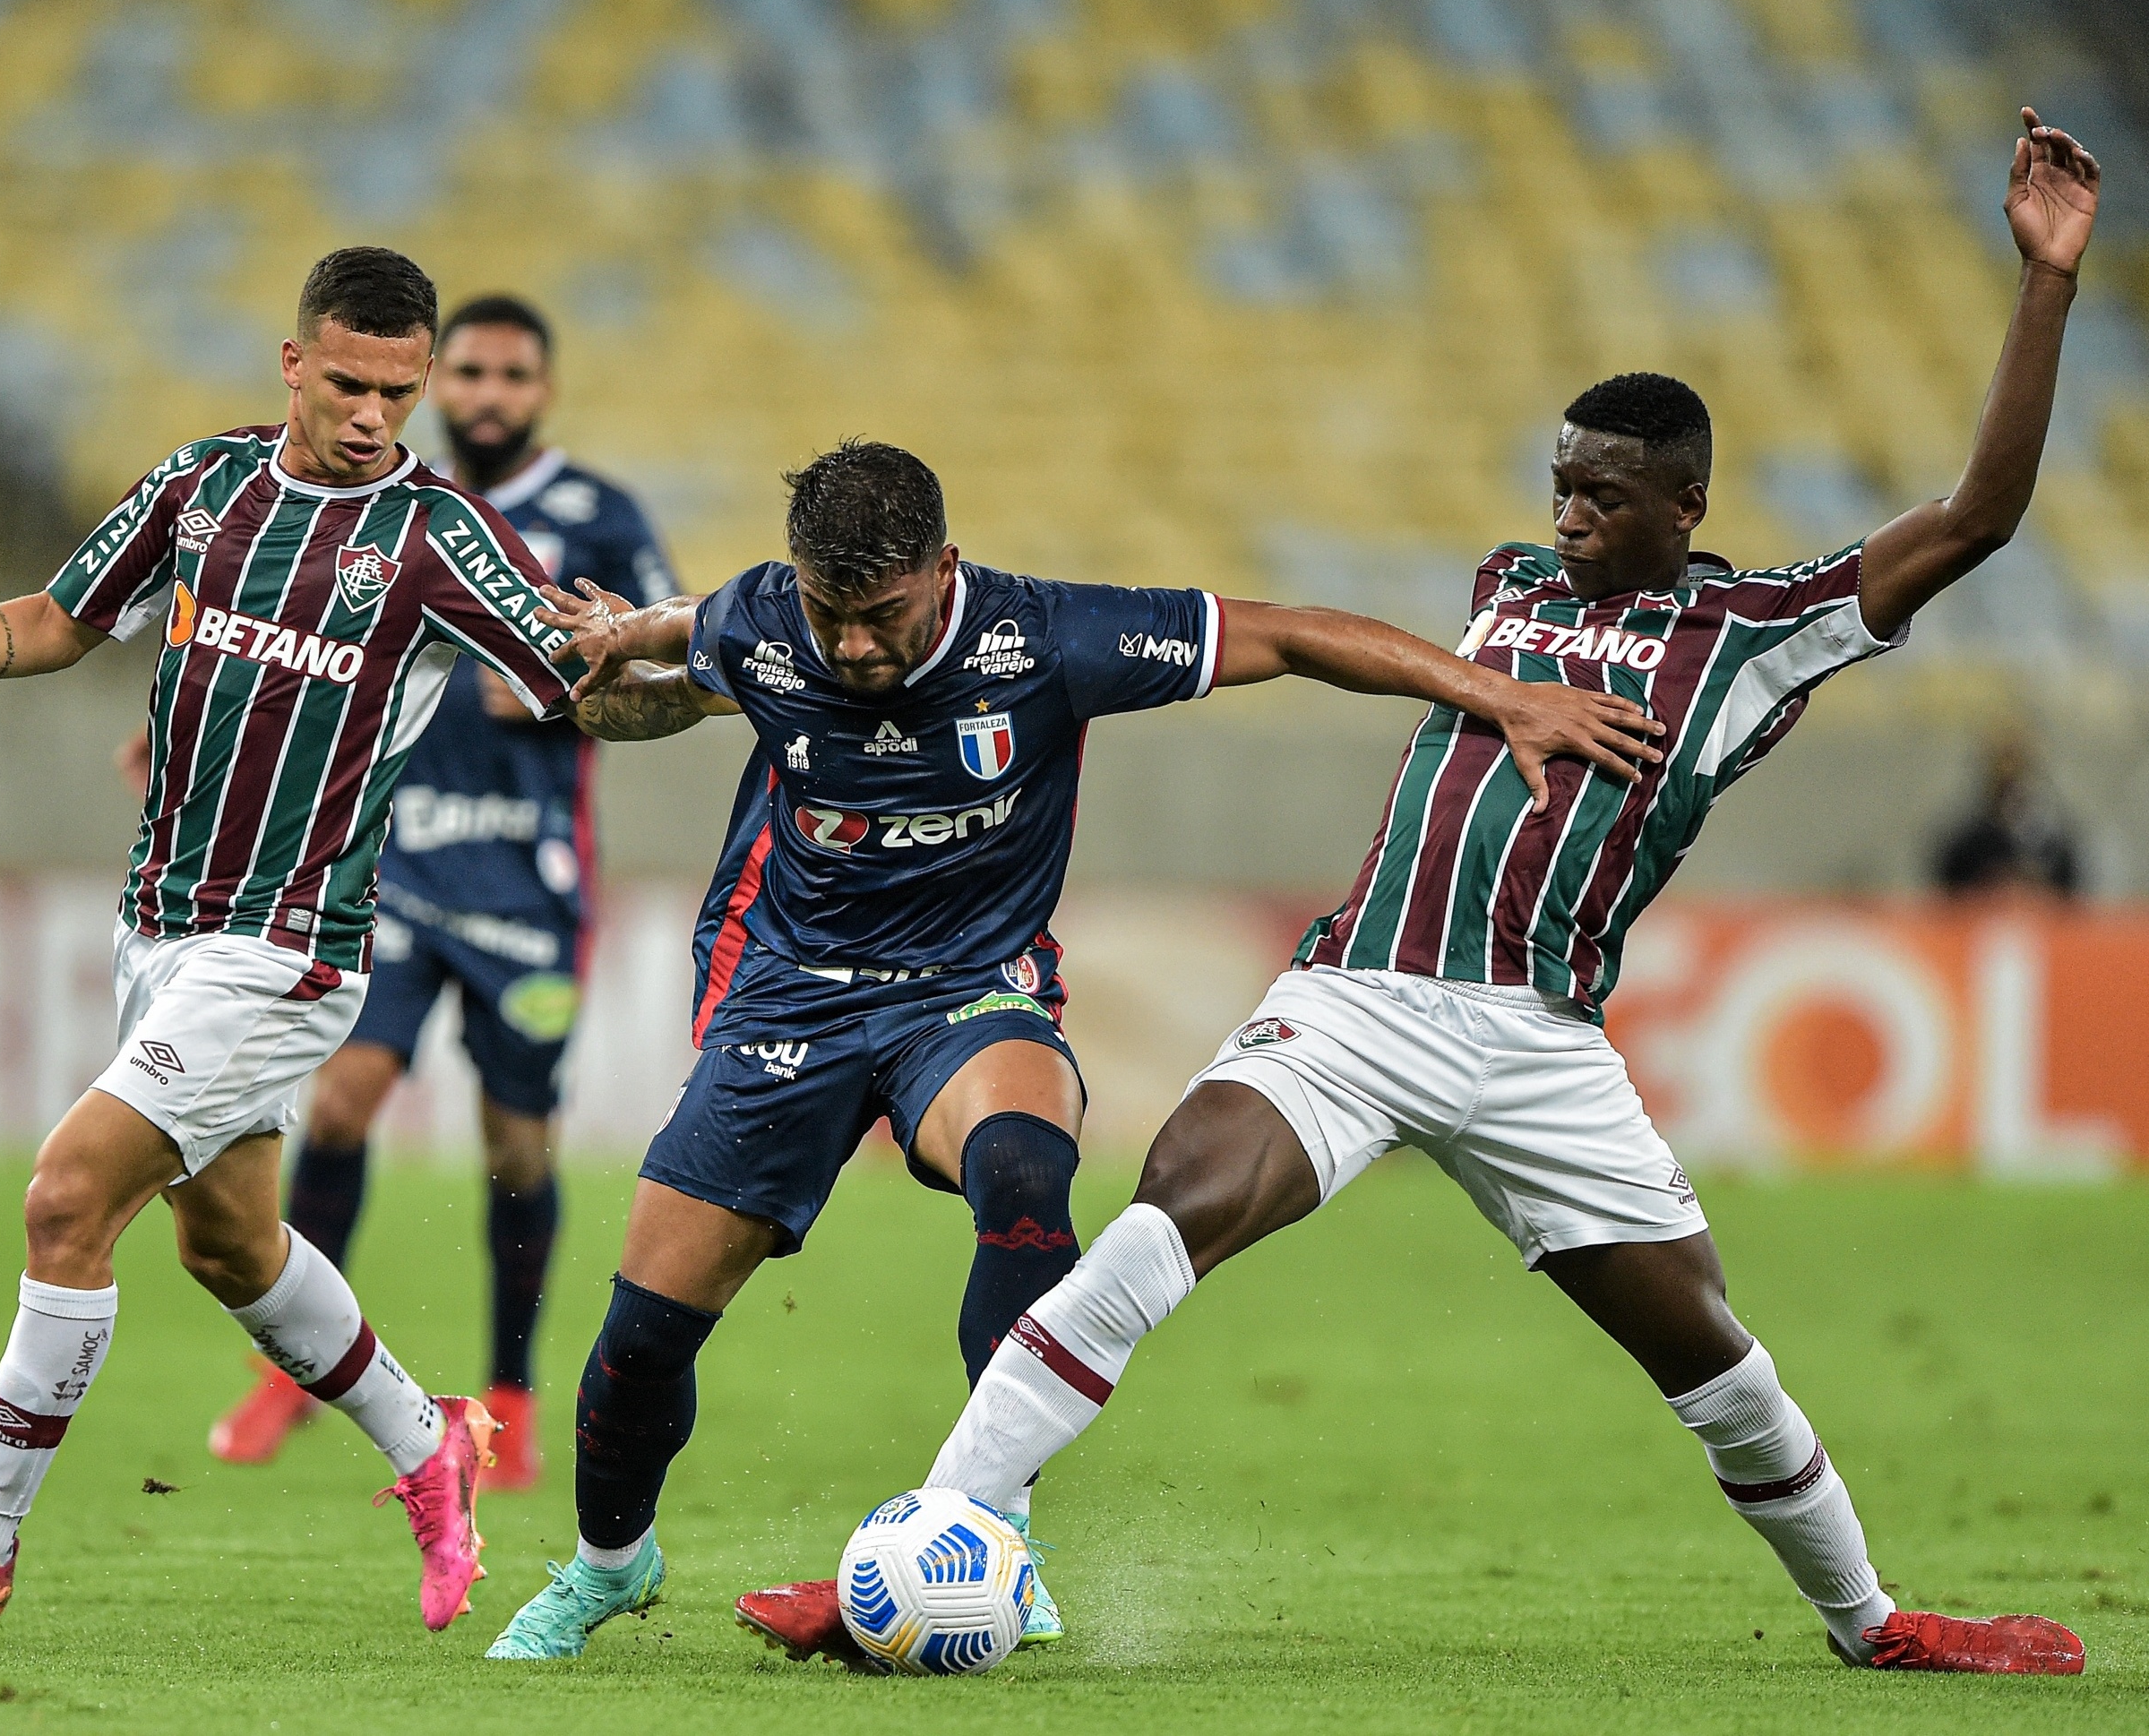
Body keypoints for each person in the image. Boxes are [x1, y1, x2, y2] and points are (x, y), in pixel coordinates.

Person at [744, 109, 2101, 1679]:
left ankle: (1876, 1625)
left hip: (1541, 1042)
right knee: (1157, 1221)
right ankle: (916, 1560)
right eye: (1558, 485)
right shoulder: (1507, 589)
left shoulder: (1759, 634)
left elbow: (1980, 517)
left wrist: (2046, 284)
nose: (1565, 514)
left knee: (1714, 1363)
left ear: (1684, 505)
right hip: (1362, 996)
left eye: (1599, 495)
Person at [474, 438, 1667, 1660]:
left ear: (944, 567)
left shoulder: (1051, 638)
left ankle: (996, 1528)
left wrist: (1504, 695)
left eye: (882, 615)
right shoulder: (766, 621)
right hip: (791, 1000)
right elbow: (685, 649)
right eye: (831, 615)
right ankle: (610, 1563)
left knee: (1026, 1175)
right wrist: (616, 654)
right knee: (645, 1333)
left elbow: (1297, 633)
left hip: (969, 990)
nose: (855, 648)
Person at [0, 247, 583, 1636]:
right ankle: (433, 1447)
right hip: (160, 928)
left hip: (285, 947)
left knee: (65, 1198)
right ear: (294, 362)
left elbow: (578, 678)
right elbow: (59, 620)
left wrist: (706, 669)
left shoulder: (433, 533)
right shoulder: (202, 485)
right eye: (349, 383)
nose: (372, 415)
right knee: (230, 1248)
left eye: (398, 393)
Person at [202, 294, 677, 1489]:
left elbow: (668, 665)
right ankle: (289, 1373)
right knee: (347, 1102)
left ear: (543, 390)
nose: (488, 394)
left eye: (512, 374)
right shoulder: (383, 510)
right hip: (396, 866)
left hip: (530, 879)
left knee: (517, 1145)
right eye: (467, 371)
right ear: (435, 382)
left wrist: (587, 672)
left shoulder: (599, 517)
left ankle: (508, 1393)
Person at [1931, 729, 2082, 898]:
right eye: (2002, 765)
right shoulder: (1966, 846)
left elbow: (2068, 904)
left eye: (2019, 764)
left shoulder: (2054, 847)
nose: (2010, 772)